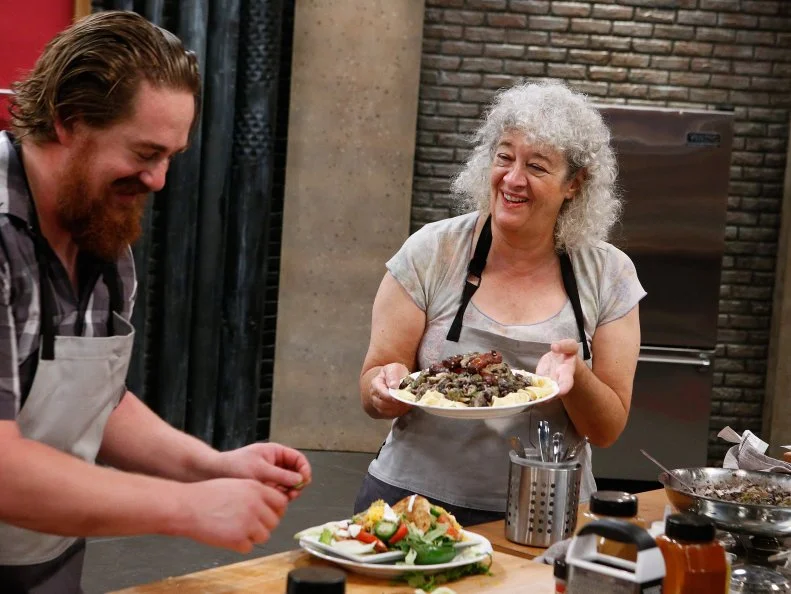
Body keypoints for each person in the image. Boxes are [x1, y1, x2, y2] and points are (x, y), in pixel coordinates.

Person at [0, 11, 311, 593]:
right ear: (69, 121)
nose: (159, 179)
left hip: (46, 563)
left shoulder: (100, 233)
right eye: (145, 153)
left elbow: (92, 397)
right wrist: (186, 507)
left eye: (171, 156)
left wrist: (211, 466)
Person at [355, 80, 645, 526]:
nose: (512, 179)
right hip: (413, 503)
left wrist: (577, 377)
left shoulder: (609, 274)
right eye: (505, 157)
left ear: (574, 184)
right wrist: (384, 388)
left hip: (547, 509)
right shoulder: (432, 252)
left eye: (537, 167)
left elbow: (606, 430)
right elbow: (375, 383)